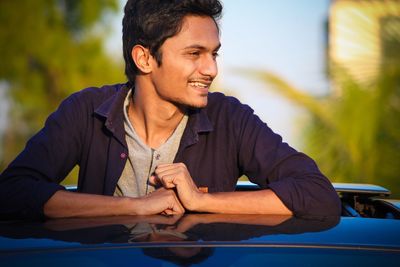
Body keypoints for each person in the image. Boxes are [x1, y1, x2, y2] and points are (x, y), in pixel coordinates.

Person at [0, 0, 341, 220]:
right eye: (195, 54)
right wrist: (135, 207)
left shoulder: (230, 119)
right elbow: (11, 193)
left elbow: (318, 195)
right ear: (144, 58)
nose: (211, 69)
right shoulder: (85, 111)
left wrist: (202, 201)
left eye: (214, 54)